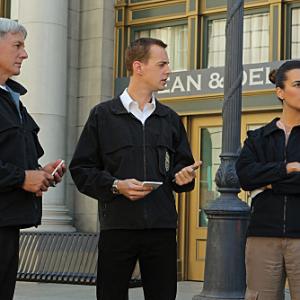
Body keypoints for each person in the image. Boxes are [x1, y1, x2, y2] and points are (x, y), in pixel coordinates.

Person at [70, 37, 201, 300]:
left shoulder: (170, 119)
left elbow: (180, 172)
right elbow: (81, 169)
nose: (168, 71)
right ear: (138, 67)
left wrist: (184, 177)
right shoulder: (103, 115)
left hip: (161, 229)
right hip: (118, 228)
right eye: (162, 64)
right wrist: (116, 186)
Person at [0, 18, 66, 300]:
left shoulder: (12, 99)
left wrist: (40, 173)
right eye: (17, 45)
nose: (24, 54)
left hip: (8, 223)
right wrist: (22, 178)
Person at [236, 60, 300, 300]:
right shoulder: (258, 138)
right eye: (298, 84)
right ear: (280, 92)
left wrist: (268, 182)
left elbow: (255, 176)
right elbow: (245, 176)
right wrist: (288, 168)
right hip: (263, 235)